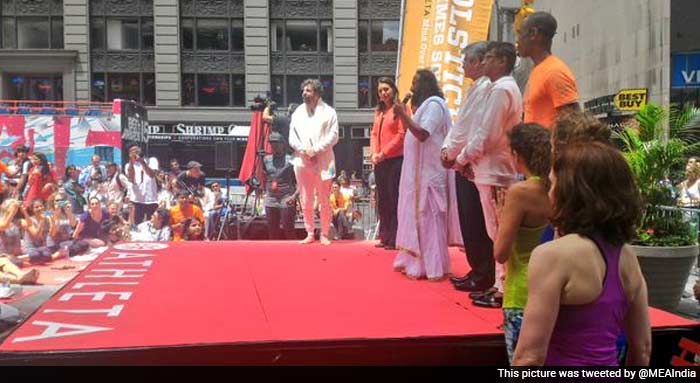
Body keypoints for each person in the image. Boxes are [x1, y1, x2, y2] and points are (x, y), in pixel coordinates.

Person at [512, 141, 651, 366]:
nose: (549, 192)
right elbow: (642, 349)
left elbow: (529, 357)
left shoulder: (552, 256)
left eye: (553, 184)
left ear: (569, 192)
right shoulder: (627, 256)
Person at [454, 42, 523, 302]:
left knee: (497, 230)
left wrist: (461, 158)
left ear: (503, 62)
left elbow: (486, 134)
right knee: (494, 230)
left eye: (490, 58)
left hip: (494, 169)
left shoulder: (501, 89)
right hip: (491, 167)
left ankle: (503, 288)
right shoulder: (498, 88)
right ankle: (499, 283)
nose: (484, 63)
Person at [489, 123, 552, 363]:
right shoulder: (559, 188)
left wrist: (500, 216)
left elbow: (501, 253)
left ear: (517, 155)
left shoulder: (520, 193)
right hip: (556, 293)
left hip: (522, 292)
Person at [392, 69, 462, 281]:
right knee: (420, 219)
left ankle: (433, 267)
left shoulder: (434, 105)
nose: (411, 87)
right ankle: (416, 262)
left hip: (430, 175)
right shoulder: (425, 106)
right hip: (420, 175)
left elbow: (423, 134)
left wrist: (404, 114)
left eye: (415, 82)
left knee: (430, 221)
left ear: (425, 84)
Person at [440, 41, 496, 292]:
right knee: (469, 220)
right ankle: (478, 269)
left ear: (480, 61)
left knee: (478, 222)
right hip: (464, 161)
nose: (463, 66)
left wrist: (457, 156)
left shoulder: (489, 88)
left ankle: (484, 273)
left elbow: (475, 129)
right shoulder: (477, 88)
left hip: (474, 163)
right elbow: (462, 126)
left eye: (467, 61)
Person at [289, 78, 339, 245]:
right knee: (305, 198)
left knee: (324, 199)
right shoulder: (297, 113)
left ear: (317, 93)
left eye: (308, 91)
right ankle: (309, 232)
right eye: (304, 90)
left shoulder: (329, 112)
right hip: (302, 161)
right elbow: (292, 138)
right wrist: (304, 150)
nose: (304, 93)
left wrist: (316, 150)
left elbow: (334, 136)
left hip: (324, 160)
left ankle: (324, 233)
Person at [517, 11, 580, 130]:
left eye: (520, 34)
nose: (517, 41)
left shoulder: (555, 72)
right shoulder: (537, 70)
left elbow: (574, 123)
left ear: (533, 33)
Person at [263, 132, 298, 240]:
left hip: (286, 195)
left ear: (283, 144)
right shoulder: (266, 159)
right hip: (271, 196)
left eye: (277, 143)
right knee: (272, 230)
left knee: (288, 228)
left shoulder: (291, 160)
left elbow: (300, 180)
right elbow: (263, 176)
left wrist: (295, 196)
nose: (274, 146)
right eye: (272, 143)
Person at [125, 144, 159, 225]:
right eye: (133, 152)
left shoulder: (152, 160)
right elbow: (131, 178)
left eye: (137, 151)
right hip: (136, 200)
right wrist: (131, 162)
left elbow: (152, 175)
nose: (135, 153)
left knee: (152, 224)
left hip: (151, 199)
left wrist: (142, 162)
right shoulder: (128, 165)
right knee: (136, 225)